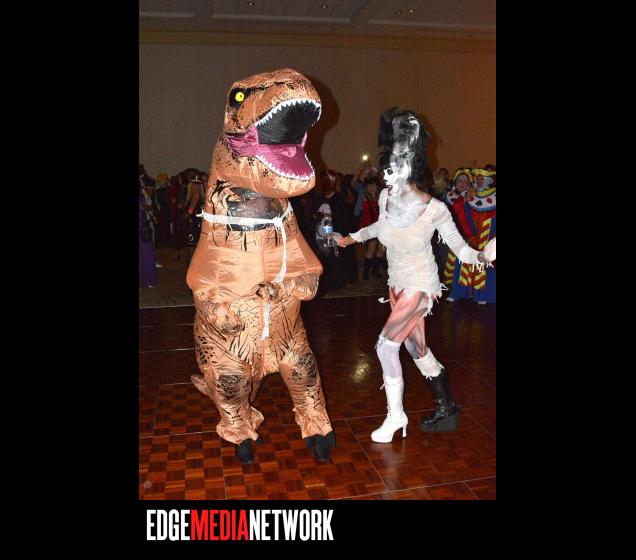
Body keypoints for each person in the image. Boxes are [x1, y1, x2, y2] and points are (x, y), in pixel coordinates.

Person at [186, 68, 335, 465]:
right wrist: (213, 307)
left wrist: (301, 282)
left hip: (285, 324)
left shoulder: (282, 213)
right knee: (231, 384)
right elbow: (204, 277)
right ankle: (239, 431)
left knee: (303, 372)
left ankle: (316, 423)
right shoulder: (218, 215)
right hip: (232, 331)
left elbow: (304, 265)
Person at [334, 108, 495, 442]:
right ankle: (447, 408)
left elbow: (460, 249)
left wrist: (483, 256)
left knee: (385, 347)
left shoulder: (435, 209)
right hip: (396, 284)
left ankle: (396, 417)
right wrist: (349, 239)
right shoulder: (385, 197)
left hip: (420, 286)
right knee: (416, 348)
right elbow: (379, 227)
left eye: (392, 167)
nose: (385, 175)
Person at [446, 167, 497, 305]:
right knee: (461, 265)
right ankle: (458, 293)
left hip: (480, 238)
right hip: (464, 237)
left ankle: (480, 295)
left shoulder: (489, 197)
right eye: (477, 179)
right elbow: (458, 210)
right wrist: (465, 199)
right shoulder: (462, 195)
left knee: (481, 265)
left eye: (482, 179)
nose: (479, 181)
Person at [139, 183, 157, 288]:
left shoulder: (142, 193)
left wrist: (144, 207)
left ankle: (147, 279)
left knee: (145, 252)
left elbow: (150, 207)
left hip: (142, 226)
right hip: (142, 224)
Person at [183, 174, 205, 264]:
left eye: (198, 185)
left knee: (196, 247)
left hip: (199, 226)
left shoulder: (204, 199)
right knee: (190, 246)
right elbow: (187, 212)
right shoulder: (189, 198)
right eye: (194, 184)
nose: (196, 187)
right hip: (190, 225)